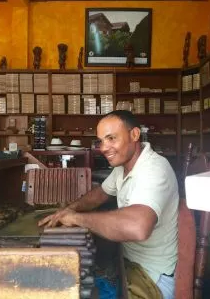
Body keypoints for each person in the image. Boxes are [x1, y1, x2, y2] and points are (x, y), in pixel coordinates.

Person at [38, 110, 179, 299]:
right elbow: (101, 193)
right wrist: (69, 209)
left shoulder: (154, 170)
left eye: (111, 138)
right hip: (129, 263)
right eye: (101, 141)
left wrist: (77, 218)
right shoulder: (124, 166)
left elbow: (138, 227)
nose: (104, 148)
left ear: (134, 135)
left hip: (153, 277)